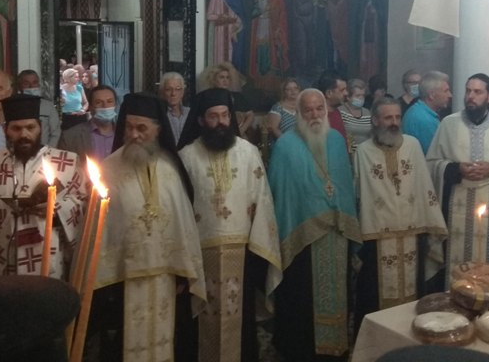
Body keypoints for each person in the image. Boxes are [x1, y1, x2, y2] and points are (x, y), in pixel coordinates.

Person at [96, 93, 205, 362]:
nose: (134, 134)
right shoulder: (108, 169)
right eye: (129, 127)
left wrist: (182, 273)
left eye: (142, 128)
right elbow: (100, 227)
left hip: (165, 275)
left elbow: (182, 222)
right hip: (122, 276)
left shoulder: (170, 169)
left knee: (165, 340)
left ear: (157, 130)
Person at [177, 89, 282, 362]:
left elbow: (261, 198)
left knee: (241, 317)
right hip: (200, 253)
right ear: (201, 120)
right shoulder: (187, 156)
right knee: (201, 320)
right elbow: (180, 209)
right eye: (213, 116)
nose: (220, 122)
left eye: (225, 115)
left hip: (242, 251)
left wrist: (261, 245)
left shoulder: (248, 152)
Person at [268, 89, 360, 360]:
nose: (315, 114)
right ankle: (302, 352)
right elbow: (282, 194)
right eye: (308, 109)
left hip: (337, 234)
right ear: (299, 113)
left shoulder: (336, 141)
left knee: (339, 296)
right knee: (301, 299)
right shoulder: (285, 146)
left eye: (319, 108)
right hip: (302, 241)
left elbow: (344, 185)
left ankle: (335, 351)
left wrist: (339, 214)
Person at [0, 94, 89, 279]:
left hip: (49, 259)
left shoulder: (66, 162)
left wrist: (57, 211)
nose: (24, 135)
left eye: (30, 128)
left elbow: (84, 205)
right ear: (5, 130)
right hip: (0, 261)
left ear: (40, 128)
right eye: (16, 129)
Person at [354, 97, 447, 329]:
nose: (394, 123)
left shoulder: (412, 145)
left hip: (413, 232)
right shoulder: (363, 152)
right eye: (388, 118)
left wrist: (432, 221)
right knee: (374, 295)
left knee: (414, 294)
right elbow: (359, 193)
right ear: (375, 120)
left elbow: (424, 185)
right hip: (376, 236)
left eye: (397, 117)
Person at [427, 74, 489, 282]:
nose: (471, 96)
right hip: (454, 206)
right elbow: (432, 165)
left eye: (477, 92)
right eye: (468, 91)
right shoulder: (448, 124)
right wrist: (456, 168)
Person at [249, 0, 290, 85]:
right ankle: (261, 74)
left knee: (273, 49)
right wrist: (263, 10)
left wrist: (279, 27)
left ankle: (272, 76)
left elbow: (282, 11)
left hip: (274, 26)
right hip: (262, 24)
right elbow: (253, 11)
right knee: (261, 47)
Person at [58, 84, 118, 161]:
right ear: (90, 107)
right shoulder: (69, 137)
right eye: (98, 102)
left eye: (110, 101)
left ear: (115, 105)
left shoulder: (126, 134)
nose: (105, 106)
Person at [403, 70, 451, 155]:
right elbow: (435, 155)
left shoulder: (419, 111)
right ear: (431, 95)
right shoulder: (424, 119)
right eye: (446, 91)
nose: (450, 95)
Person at [201, 62, 255, 136]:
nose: (225, 80)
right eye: (222, 77)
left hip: (238, 135)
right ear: (214, 79)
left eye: (227, 77)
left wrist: (241, 130)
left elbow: (251, 115)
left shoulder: (237, 96)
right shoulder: (207, 97)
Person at [17, 69, 61, 147]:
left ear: (39, 85)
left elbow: (55, 133)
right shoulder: (13, 107)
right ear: (19, 86)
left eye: (34, 83)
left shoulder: (48, 106)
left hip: (45, 150)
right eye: (26, 83)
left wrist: (48, 151)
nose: (31, 87)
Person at [339, 77, 372, 151]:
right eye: (357, 96)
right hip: (348, 153)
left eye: (363, 95)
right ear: (348, 97)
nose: (361, 98)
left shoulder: (367, 113)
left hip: (365, 153)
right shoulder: (340, 111)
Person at [317, 69, 350, 141]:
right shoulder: (318, 117)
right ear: (329, 93)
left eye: (346, 89)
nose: (346, 93)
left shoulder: (337, 112)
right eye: (342, 90)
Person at [160, 71, 192, 146]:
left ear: (182, 92)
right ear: (162, 92)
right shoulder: (159, 114)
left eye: (178, 89)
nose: (173, 93)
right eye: (168, 89)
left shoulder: (190, 113)